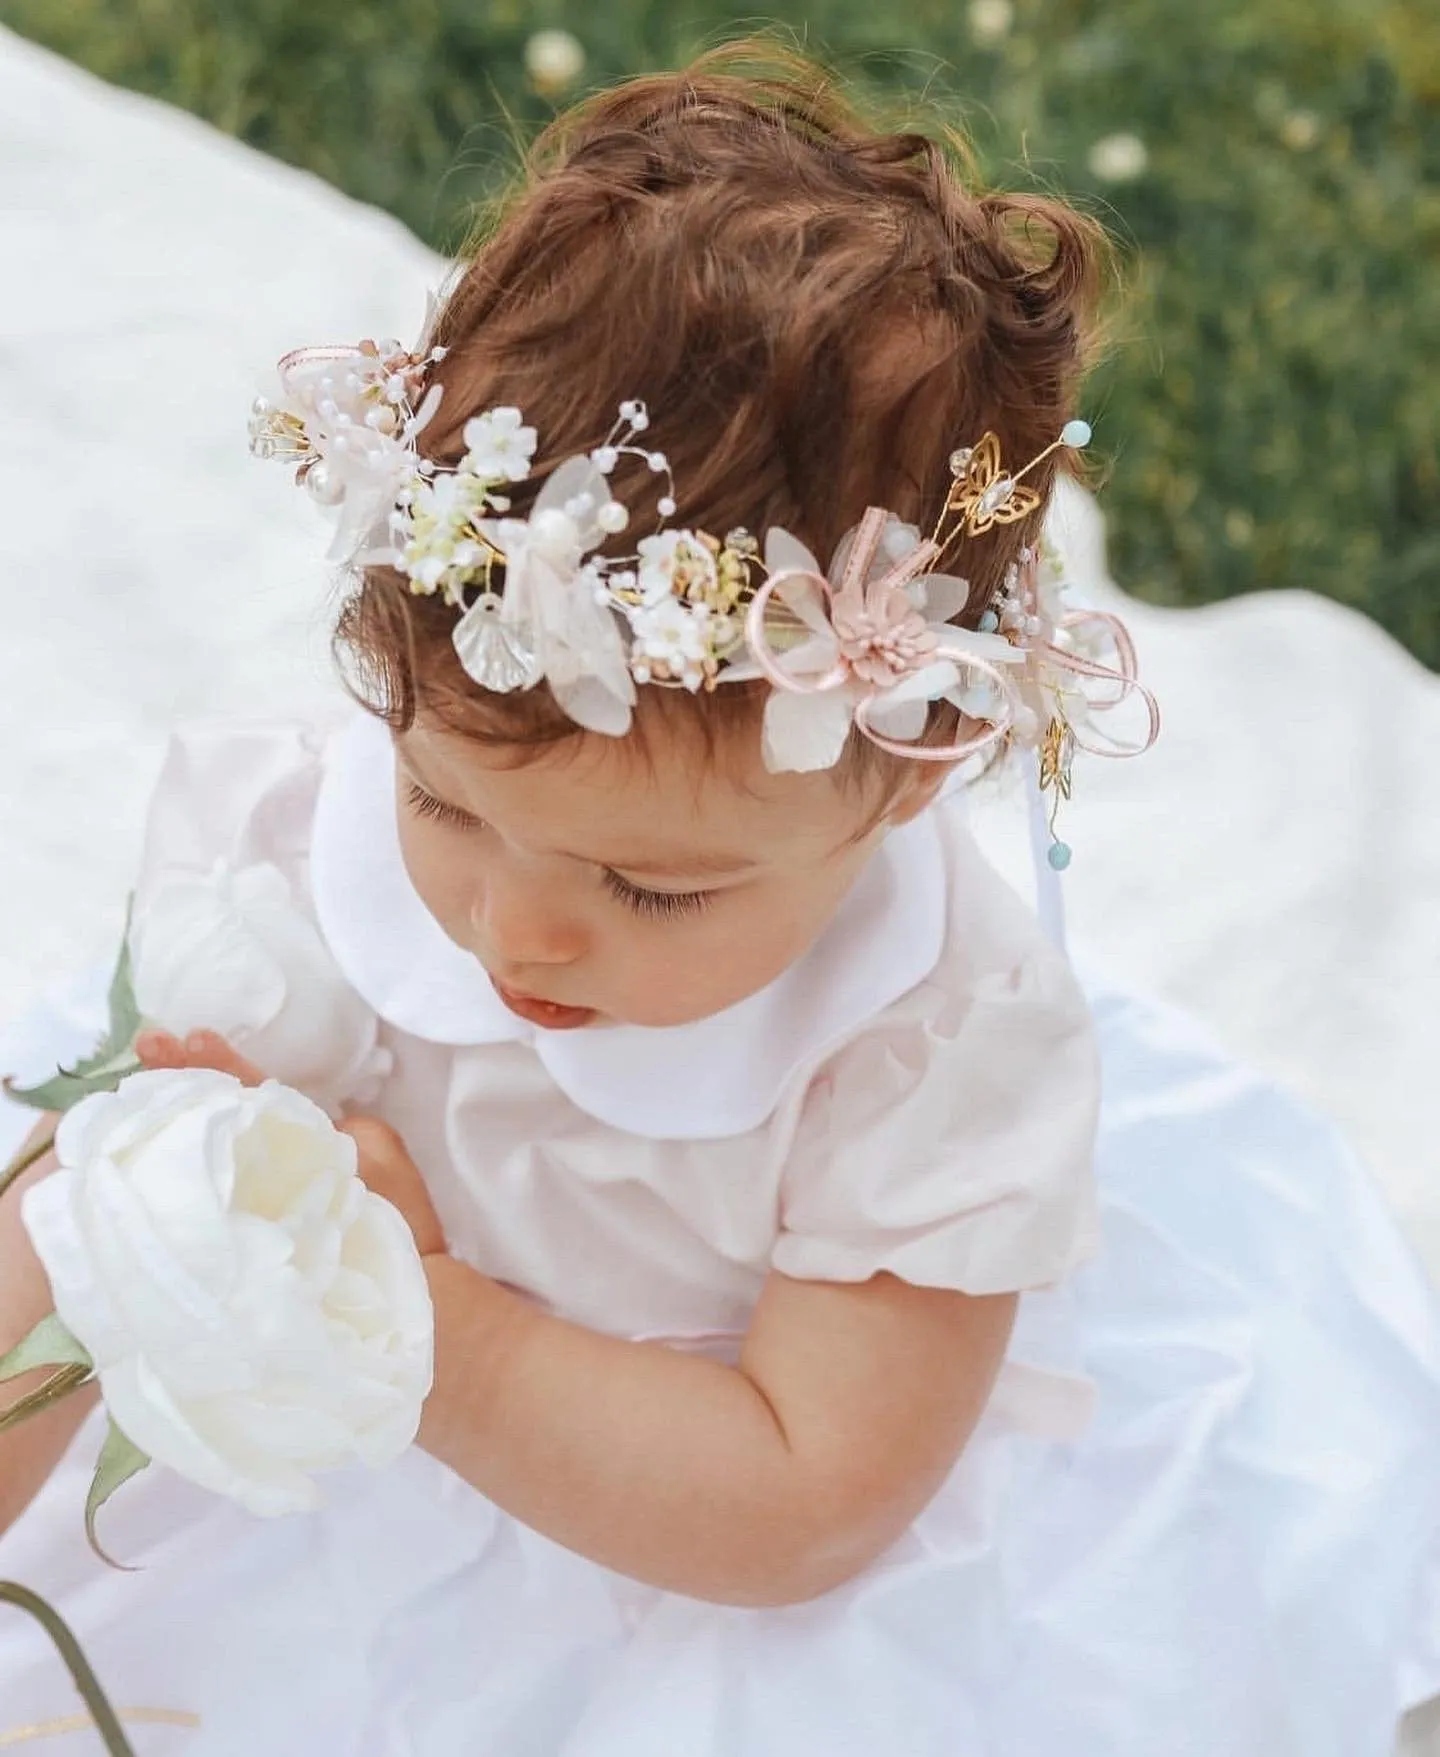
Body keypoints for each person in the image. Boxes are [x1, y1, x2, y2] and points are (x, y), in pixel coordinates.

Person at [1, 45, 1438, 1757]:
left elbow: (802, 1503)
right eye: (445, 804)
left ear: (909, 768)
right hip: (332, 1473)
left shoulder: (922, 1064)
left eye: (649, 889)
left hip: (687, 1486)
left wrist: (417, 1318)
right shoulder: (300, 844)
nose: (512, 931)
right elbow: (69, 1223)